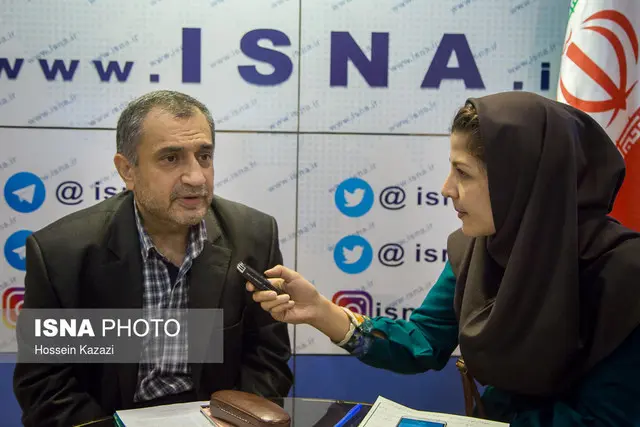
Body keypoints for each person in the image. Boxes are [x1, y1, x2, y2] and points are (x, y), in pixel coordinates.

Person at [247, 91, 640, 425]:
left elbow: (607, 419)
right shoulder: (476, 250)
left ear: (519, 181)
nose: (446, 188)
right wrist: (320, 311)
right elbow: (422, 342)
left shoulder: (625, 275)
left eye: (463, 173)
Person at [13, 90, 293, 427]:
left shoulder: (254, 236)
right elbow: (46, 387)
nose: (196, 177)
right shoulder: (62, 254)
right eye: (171, 158)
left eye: (204, 156)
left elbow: (268, 360)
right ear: (127, 170)